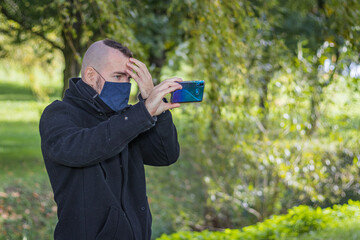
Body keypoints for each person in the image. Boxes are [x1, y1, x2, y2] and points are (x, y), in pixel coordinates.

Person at [39, 39, 183, 240]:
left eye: (128, 79)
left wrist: (154, 106)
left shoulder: (126, 117)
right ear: (90, 75)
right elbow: (83, 148)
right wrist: (142, 113)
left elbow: (166, 155)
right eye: (117, 76)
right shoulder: (59, 114)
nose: (125, 85)